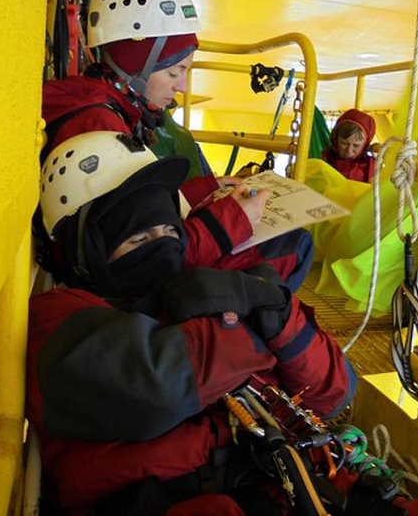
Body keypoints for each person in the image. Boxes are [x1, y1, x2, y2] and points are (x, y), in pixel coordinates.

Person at [27, 131, 357, 515]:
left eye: (170, 230)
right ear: (88, 251)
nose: (162, 246)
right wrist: (248, 316)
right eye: (139, 239)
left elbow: (335, 395)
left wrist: (283, 314)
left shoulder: (187, 297)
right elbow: (160, 383)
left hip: (278, 482)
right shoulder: (54, 319)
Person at [40, 0, 313, 291]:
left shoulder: (93, 101)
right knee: (293, 244)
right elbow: (146, 260)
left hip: (103, 271)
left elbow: (125, 212)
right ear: (138, 68)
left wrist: (203, 190)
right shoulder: (98, 128)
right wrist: (234, 220)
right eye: (174, 72)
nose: (182, 86)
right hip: (124, 290)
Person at [322, 109, 377, 183]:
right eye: (343, 143)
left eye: (356, 145)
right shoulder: (324, 158)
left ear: (365, 145)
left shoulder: (370, 167)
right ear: (335, 139)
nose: (349, 150)